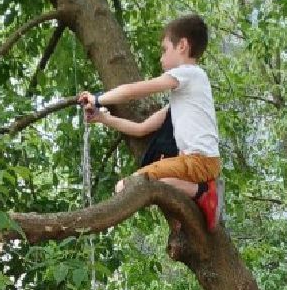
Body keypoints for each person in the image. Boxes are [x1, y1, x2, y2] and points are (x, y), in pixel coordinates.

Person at [78, 14, 222, 231]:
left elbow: (131, 92)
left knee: (128, 186)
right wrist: (103, 118)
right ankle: (201, 192)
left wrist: (97, 99)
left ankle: (203, 191)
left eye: (165, 50)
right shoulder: (184, 102)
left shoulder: (189, 74)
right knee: (154, 185)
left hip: (198, 162)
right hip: (197, 164)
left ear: (182, 46)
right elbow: (141, 129)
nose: (161, 58)